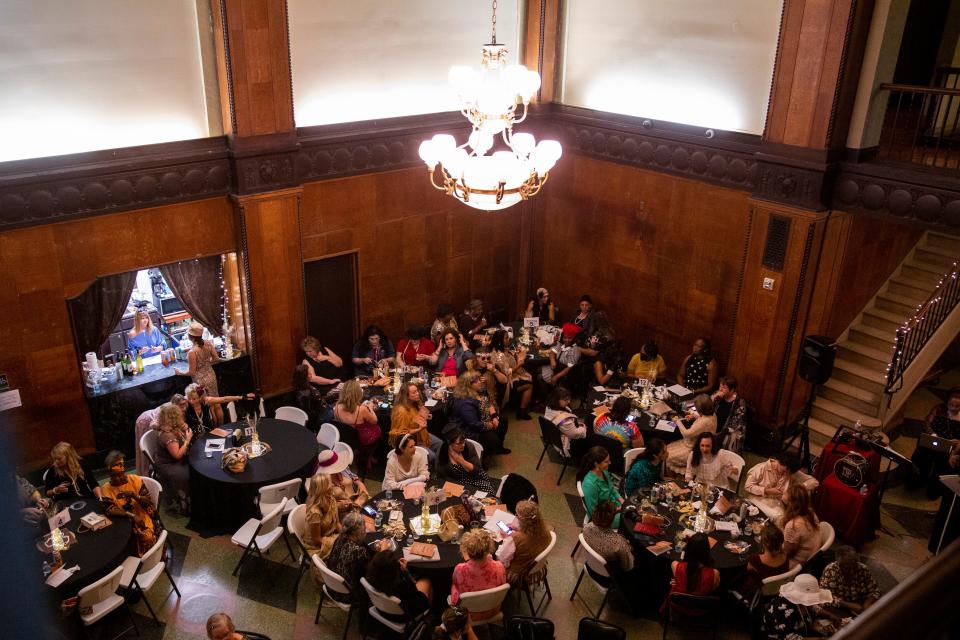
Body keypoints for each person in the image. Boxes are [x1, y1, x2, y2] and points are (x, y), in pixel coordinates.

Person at [100, 450, 158, 556]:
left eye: (119, 475)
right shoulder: (106, 488)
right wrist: (131, 515)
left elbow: (148, 503)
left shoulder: (134, 480)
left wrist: (134, 495)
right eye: (113, 476)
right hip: (122, 523)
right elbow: (109, 509)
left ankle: (147, 561)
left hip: (142, 518)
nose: (117, 479)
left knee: (146, 536)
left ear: (124, 471)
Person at [325, 511, 390, 603]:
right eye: (363, 530)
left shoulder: (340, 538)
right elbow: (374, 572)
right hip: (347, 595)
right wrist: (383, 552)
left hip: (331, 585)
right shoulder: (358, 551)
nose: (365, 532)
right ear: (356, 532)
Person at [745, 453, 819, 522]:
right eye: (784, 471)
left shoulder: (789, 470)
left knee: (808, 516)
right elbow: (748, 486)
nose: (785, 474)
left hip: (778, 503)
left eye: (788, 472)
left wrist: (797, 488)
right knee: (780, 517)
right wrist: (767, 490)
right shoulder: (761, 468)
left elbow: (814, 482)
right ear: (779, 462)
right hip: (758, 499)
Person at [759, 574, 837, 639]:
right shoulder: (784, 611)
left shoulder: (801, 601)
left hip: (802, 631)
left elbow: (813, 607)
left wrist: (830, 615)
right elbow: (792, 637)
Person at [451, 529, 506, 621]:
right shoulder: (499, 566)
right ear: (489, 549)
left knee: (453, 585)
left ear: (467, 551)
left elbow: (456, 584)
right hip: (492, 610)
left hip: (466, 615)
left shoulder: (460, 569)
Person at [662, 533, 720, 616]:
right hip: (700, 610)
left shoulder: (675, 565)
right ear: (707, 551)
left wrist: (677, 583)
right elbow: (712, 589)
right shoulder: (715, 573)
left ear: (687, 549)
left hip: (678, 606)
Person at [497, 500, 552, 587]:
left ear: (522, 520)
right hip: (534, 566)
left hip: (518, 573)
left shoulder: (515, 539)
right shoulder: (547, 532)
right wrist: (517, 531)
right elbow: (529, 539)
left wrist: (507, 539)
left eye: (517, 515)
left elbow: (501, 559)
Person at [730, 524, 790, 603]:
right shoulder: (786, 555)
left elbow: (748, 570)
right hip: (775, 589)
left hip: (755, 589)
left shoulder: (756, 559)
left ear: (763, 543)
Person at [449, 371, 505, 456]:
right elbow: (474, 424)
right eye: (476, 381)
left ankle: (498, 448)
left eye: (479, 379)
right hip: (468, 430)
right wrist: (491, 425)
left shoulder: (478, 391)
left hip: (481, 419)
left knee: (503, 421)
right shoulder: (465, 403)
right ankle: (483, 457)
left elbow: (488, 403)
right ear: (468, 385)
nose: (479, 382)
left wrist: (494, 416)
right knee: (492, 440)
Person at [365, 550, 432, 621]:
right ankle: (426, 616)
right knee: (426, 580)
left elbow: (381, 566)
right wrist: (406, 572)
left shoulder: (371, 578)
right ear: (394, 573)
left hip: (381, 610)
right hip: (403, 616)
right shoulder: (402, 586)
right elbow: (415, 593)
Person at [174, 322, 222, 415]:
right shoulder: (208, 343)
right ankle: (222, 426)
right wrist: (206, 363)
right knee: (217, 402)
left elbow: (192, 372)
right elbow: (216, 358)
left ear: (190, 336)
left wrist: (180, 373)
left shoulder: (192, 352)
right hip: (211, 376)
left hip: (200, 382)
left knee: (209, 406)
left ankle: (214, 428)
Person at [152, 403, 192, 513]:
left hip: (169, 459)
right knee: (187, 473)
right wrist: (188, 440)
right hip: (169, 464)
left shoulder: (168, 427)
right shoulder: (168, 435)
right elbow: (177, 455)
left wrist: (185, 428)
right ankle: (185, 503)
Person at [389, 382, 443, 463]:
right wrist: (419, 429)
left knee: (440, 444)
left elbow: (415, 416)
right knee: (432, 457)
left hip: (421, 434)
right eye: (414, 392)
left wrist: (425, 415)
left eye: (417, 391)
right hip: (411, 441)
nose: (418, 393)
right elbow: (401, 434)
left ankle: (438, 466)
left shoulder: (413, 403)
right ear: (406, 396)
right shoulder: (401, 411)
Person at [134, 394, 187, 477]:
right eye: (181, 405)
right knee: (143, 455)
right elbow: (153, 424)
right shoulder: (165, 412)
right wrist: (161, 426)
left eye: (184, 404)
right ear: (175, 405)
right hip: (145, 421)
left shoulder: (179, 407)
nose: (184, 408)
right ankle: (144, 478)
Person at [819, 546, 881, 615]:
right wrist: (849, 605)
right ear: (839, 564)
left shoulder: (862, 569)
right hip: (840, 605)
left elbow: (875, 591)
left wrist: (867, 605)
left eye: (854, 567)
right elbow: (825, 596)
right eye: (847, 568)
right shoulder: (831, 570)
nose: (852, 571)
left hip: (859, 602)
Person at [665, 394, 718, 475]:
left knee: (667, 455)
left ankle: (679, 476)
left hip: (694, 449)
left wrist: (677, 421)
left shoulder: (704, 422)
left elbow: (686, 434)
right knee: (667, 448)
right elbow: (703, 418)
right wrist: (694, 416)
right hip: (696, 444)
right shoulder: (713, 415)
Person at [490, 329, 533, 420]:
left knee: (529, 374)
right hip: (506, 383)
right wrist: (519, 364)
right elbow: (507, 373)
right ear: (499, 341)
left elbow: (508, 360)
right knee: (529, 385)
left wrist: (514, 354)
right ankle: (522, 412)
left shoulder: (501, 350)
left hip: (510, 377)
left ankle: (520, 404)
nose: (509, 339)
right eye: (506, 338)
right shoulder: (498, 355)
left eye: (508, 337)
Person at [582, 501, 634, 576]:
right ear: (612, 520)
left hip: (590, 566)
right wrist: (628, 549)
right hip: (608, 577)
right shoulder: (619, 544)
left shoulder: (586, 528)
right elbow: (628, 567)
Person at [578, 446, 624, 529]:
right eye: (606, 461)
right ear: (596, 464)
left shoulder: (604, 471)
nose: (610, 463)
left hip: (614, 506)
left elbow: (612, 489)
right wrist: (616, 510)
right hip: (604, 517)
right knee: (629, 521)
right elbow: (594, 512)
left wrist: (621, 499)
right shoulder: (590, 485)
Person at [315, 449, 371, 515]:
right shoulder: (323, 481)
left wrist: (360, 483)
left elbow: (353, 476)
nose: (337, 466)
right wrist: (339, 505)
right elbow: (323, 507)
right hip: (342, 513)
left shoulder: (342, 468)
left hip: (358, 501)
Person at [332, 379, 382, 448]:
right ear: (358, 394)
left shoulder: (337, 405)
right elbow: (374, 421)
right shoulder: (361, 409)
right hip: (361, 439)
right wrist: (370, 408)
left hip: (346, 436)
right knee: (378, 428)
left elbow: (337, 419)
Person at [183, 383, 251, 433]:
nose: (191, 401)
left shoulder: (205, 401)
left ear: (200, 397)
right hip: (194, 437)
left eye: (194, 399)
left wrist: (241, 397)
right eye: (189, 398)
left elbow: (224, 399)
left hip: (208, 433)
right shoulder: (185, 404)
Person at [782, 484, 822, 567]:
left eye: (784, 493)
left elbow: (787, 553)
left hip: (796, 563)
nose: (783, 492)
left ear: (790, 503)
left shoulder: (792, 526)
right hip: (810, 553)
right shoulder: (810, 512)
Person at [303, 472, 341, 560]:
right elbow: (317, 540)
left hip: (328, 534)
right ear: (323, 489)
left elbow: (337, 522)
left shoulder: (331, 498)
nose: (332, 484)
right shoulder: (315, 513)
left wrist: (344, 535)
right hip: (316, 547)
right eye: (330, 483)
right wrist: (337, 545)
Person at [544, 387, 587, 457]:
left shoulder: (549, 407)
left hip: (552, 436)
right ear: (556, 399)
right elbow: (576, 434)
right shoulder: (565, 420)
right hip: (562, 442)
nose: (569, 401)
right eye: (565, 400)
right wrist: (583, 427)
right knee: (590, 438)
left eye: (569, 398)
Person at [712, 376, 748, 453]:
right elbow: (707, 408)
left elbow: (736, 424)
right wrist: (714, 398)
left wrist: (720, 434)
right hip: (714, 425)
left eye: (724, 388)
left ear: (732, 389)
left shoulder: (739, 403)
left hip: (729, 431)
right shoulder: (717, 395)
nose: (720, 389)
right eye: (720, 386)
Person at [540, 323, 582, 388]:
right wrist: (552, 360)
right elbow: (552, 352)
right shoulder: (561, 344)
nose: (567, 340)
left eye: (570, 338)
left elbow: (568, 369)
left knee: (544, 381)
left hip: (565, 374)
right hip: (556, 367)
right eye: (565, 337)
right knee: (539, 374)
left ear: (574, 339)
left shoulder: (575, 350)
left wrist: (555, 377)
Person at [293, 364, 326, 432]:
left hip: (302, 418)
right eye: (309, 373)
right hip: (316, 419)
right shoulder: (308, 393)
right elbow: (314, 411)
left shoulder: (295, 387)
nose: (311, 374)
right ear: (304, 376)